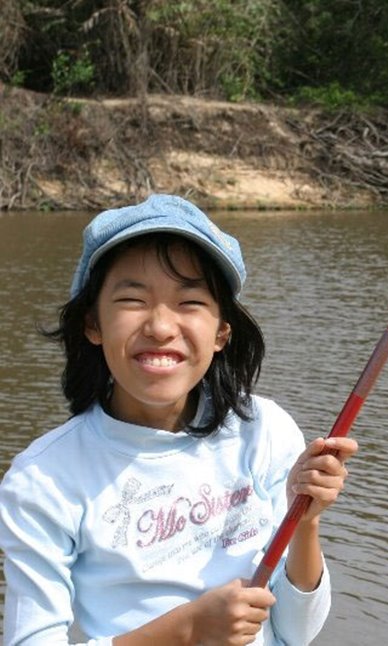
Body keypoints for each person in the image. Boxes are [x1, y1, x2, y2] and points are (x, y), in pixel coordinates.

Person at [0, 194, 358, 645]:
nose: (161, 327)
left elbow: (295, 631)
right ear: (93, 324)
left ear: (222, 332)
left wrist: (305, 521)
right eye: (133, 299)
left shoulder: (264, 430)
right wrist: (185, 630)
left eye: (190, 302)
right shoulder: (43, 478)